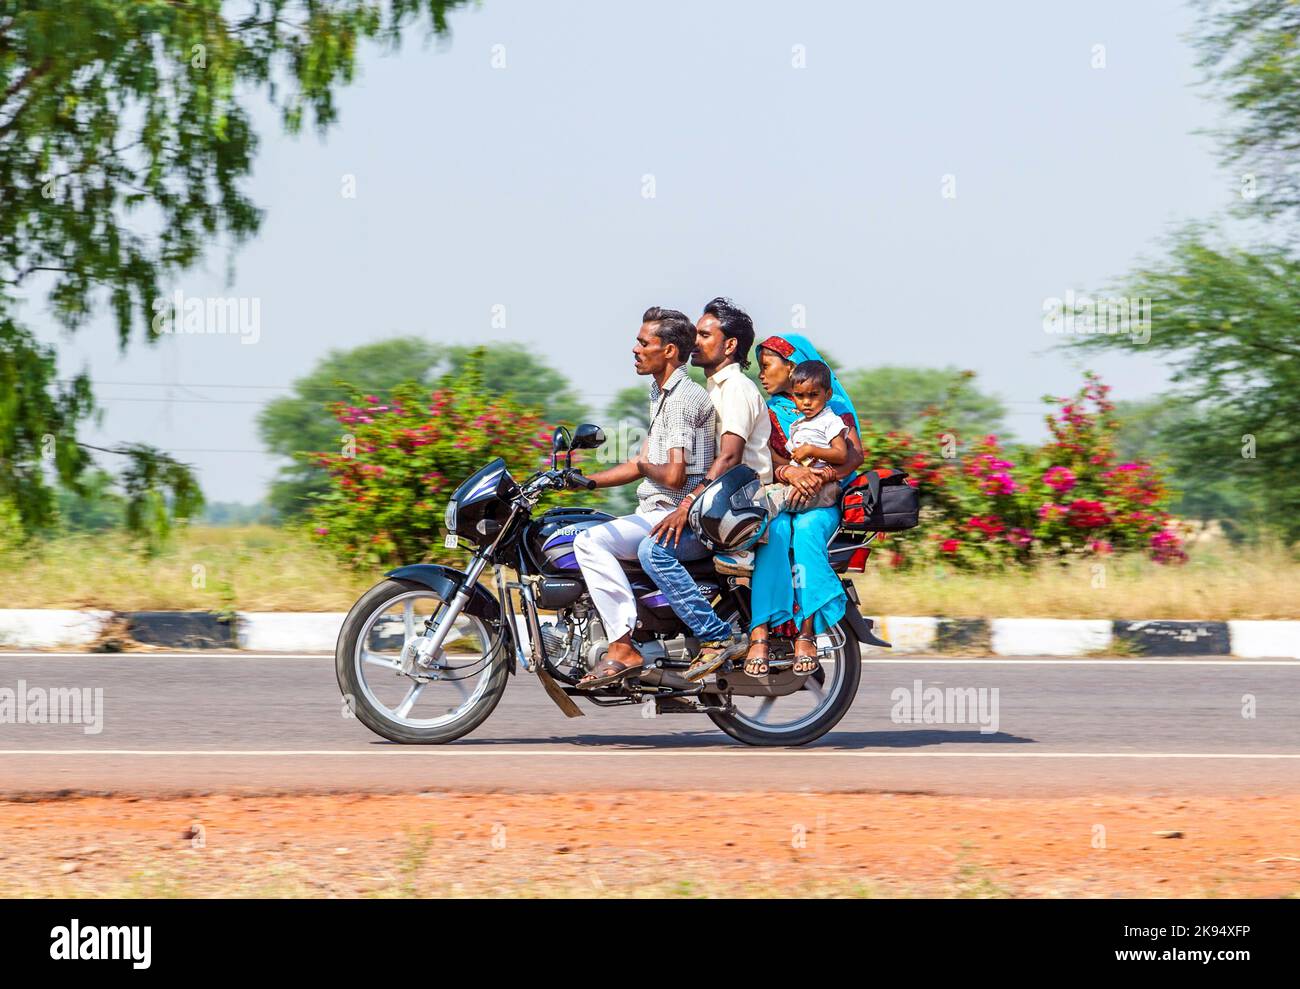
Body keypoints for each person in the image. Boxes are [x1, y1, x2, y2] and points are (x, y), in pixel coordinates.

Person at [572, 307, 716, 689]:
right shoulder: (661, 392)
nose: (634, 349)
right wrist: (586, 482)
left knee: (588, 541)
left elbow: (671, 474)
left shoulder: (684, 398)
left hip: (673, 512)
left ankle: (622, 648)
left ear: (669, 351)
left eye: (643, 342)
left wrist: (643, 462)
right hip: (656, 509)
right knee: (585, 526)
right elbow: (642, 464)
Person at [637, 297, 772, 681]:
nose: (694, 342)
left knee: (654, 550)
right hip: (717, 508)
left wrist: (687, 505)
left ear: (730, 345)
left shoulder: (737, 390)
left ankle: (715, 636)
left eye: (704, 334)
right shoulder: (708, 390)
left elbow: (729, 458)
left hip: (737, 514)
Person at [745, 333, 864, 678]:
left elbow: (852, 457)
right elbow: (773, 459)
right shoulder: (769, 413)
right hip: (787, 496)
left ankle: (807, 633)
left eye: (768, 367)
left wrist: (820, 476)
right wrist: (791, 473)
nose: (762, 376)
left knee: (809, 529)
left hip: (821, 501)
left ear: (791, 366)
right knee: (775, 532)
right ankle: (759, 633)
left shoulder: (834, 410)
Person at [762, 358, 851, 515]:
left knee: (771, 506)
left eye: (813, 395)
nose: (806, 402)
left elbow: (842, 454)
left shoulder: (831, 420)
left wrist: (811, 450)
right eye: (800, 396)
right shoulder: (798, 425)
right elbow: (792, 458)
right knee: (760, 497)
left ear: (828, 394)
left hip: (824, 488)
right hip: (801, 482)